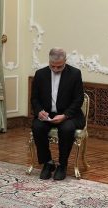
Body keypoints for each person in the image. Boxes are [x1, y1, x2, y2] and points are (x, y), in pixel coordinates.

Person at [31, 47, 85, 181]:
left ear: (65, 61)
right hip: (47, 115)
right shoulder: (40, 74)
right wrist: (39, 112)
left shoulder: (75, 74)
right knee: (37, 127)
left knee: (66, 129)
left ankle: (62, 164)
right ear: (49, 62)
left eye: (59, 67)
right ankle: (48, 163)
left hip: (69, 115)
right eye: (52, 66)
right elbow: (34, 98)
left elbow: (78, 99)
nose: (55, 69)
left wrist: (65, 115)